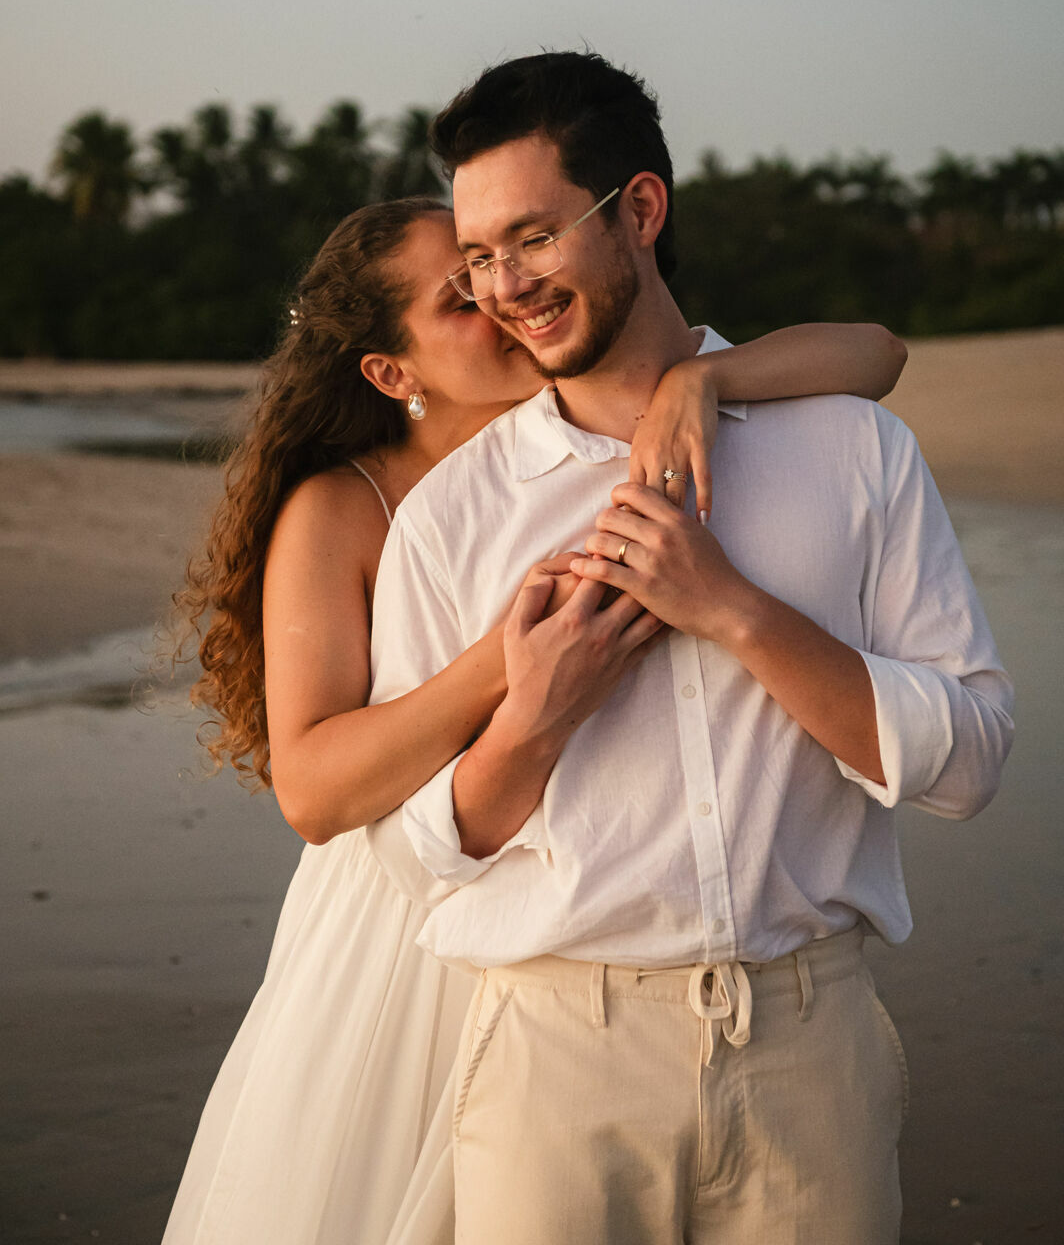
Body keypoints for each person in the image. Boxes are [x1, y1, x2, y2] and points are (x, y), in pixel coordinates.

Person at [163, 194, 909, 1245]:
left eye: (496, 264)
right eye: (459, 298)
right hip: (413, 926)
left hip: (601, 924)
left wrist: (704, 377)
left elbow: (874, 352)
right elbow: (314, 790)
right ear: (392, 372)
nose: (500, 299)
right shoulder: (349, 507)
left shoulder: (617, 418)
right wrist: (508, 670)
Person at [364, 51, 1015, 1245]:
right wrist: (535, 716)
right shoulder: (449, 519)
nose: (503, 285)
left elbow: (971, 762)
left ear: (640, 211)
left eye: (533, 238)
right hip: (554, 1072)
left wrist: (734, 610)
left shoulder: (851, 451)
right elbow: (413, 863)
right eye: (476, 258)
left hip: (809, 1058)